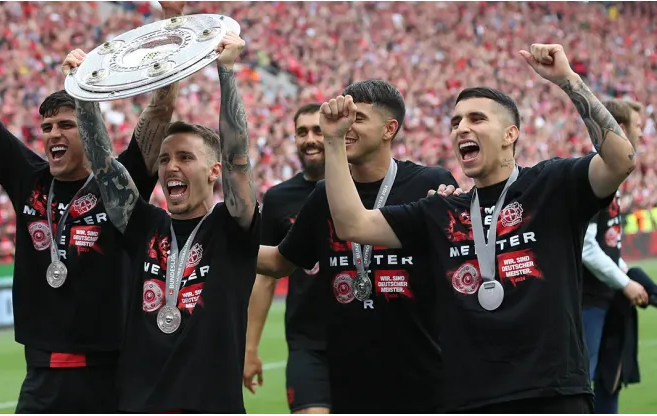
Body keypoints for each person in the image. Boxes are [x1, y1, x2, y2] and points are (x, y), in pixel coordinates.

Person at [319, 43, 638, 413]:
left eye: (476, 119)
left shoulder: (551, 186)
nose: (461, 129)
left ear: (510, 135)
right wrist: (332, 140)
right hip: (471, 399)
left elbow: (621, 160)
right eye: (455, 123)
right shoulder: (440, 210)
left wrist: (569, 81)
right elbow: (351, 223)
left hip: (552, 393)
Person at [0, 1, 185, 412]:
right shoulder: (29, 178)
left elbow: (159, 114)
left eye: (66, 125)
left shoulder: (118, 183)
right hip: (44, 374)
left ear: (88, 128)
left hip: (114, 373)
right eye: (47, 127)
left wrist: (174, 22)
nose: (52, 135)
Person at [74, 32, 259, 413]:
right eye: (164, 159)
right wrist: (83, 92)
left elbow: (238, 157)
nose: (171, 166)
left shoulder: (231, 227)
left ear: (213, 171)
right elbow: (104, 166)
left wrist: (227, 73)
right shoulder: (145, 224)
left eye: (185, 158)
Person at [256, 79, 460, 413]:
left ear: (389, 129)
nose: (346, 127)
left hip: (423, 369)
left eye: (359, 119)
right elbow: (280, 261)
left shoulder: (429, 184)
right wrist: (224, 242)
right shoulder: (324, 194)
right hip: (349, 375)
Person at [244, 103, 332, 414]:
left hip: (362, 337)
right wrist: (251, 348)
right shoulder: (280, 198)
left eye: (318, 130)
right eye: (302, 132)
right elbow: (266, 275)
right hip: (305, 342)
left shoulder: (362, 188)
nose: (310, 139)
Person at [581, 98, 649, 414]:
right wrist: (624, 282)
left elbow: (608, 244)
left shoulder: (612, 178)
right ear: (620, 129)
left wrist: (625, 276)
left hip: (605, 295)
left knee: (609, 377)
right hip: (587, 300)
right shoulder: (592, 175)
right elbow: (587, 247)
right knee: (583, 380)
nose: (642, 134)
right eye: (638, 126)